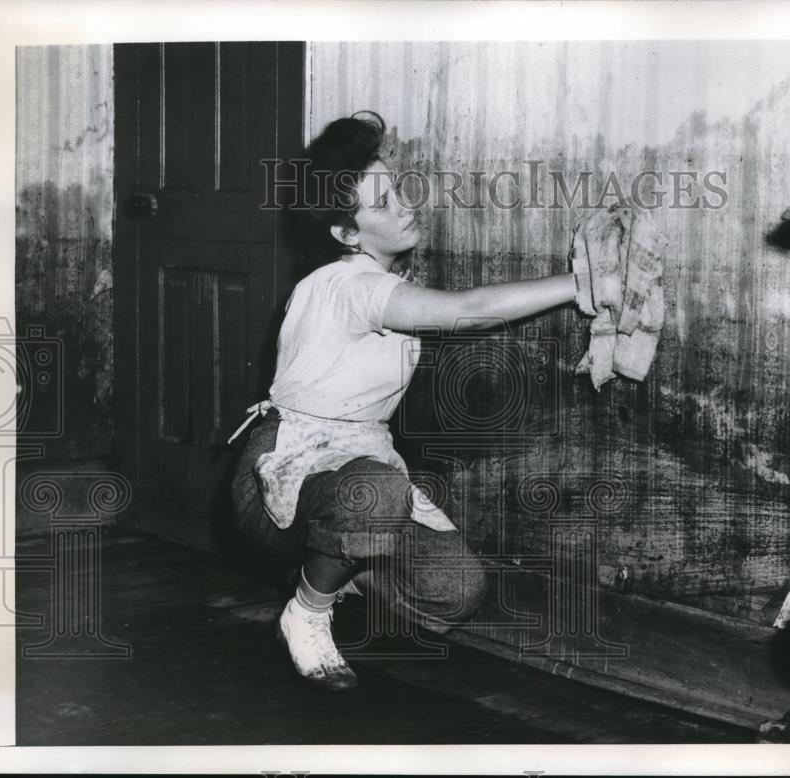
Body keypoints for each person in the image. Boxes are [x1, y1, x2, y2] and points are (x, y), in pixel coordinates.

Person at [230, 111, 576, 690]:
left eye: (396, 191)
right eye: (383, 204)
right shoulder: (349, 284)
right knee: (376, 492)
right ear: (347, 233)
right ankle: (307, 612)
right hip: (277, 479)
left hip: (347, 470)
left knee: (454, 592)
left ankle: (332, 565)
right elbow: (476, 311)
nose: (405, 207)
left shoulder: (373, 280)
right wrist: (578, 285)